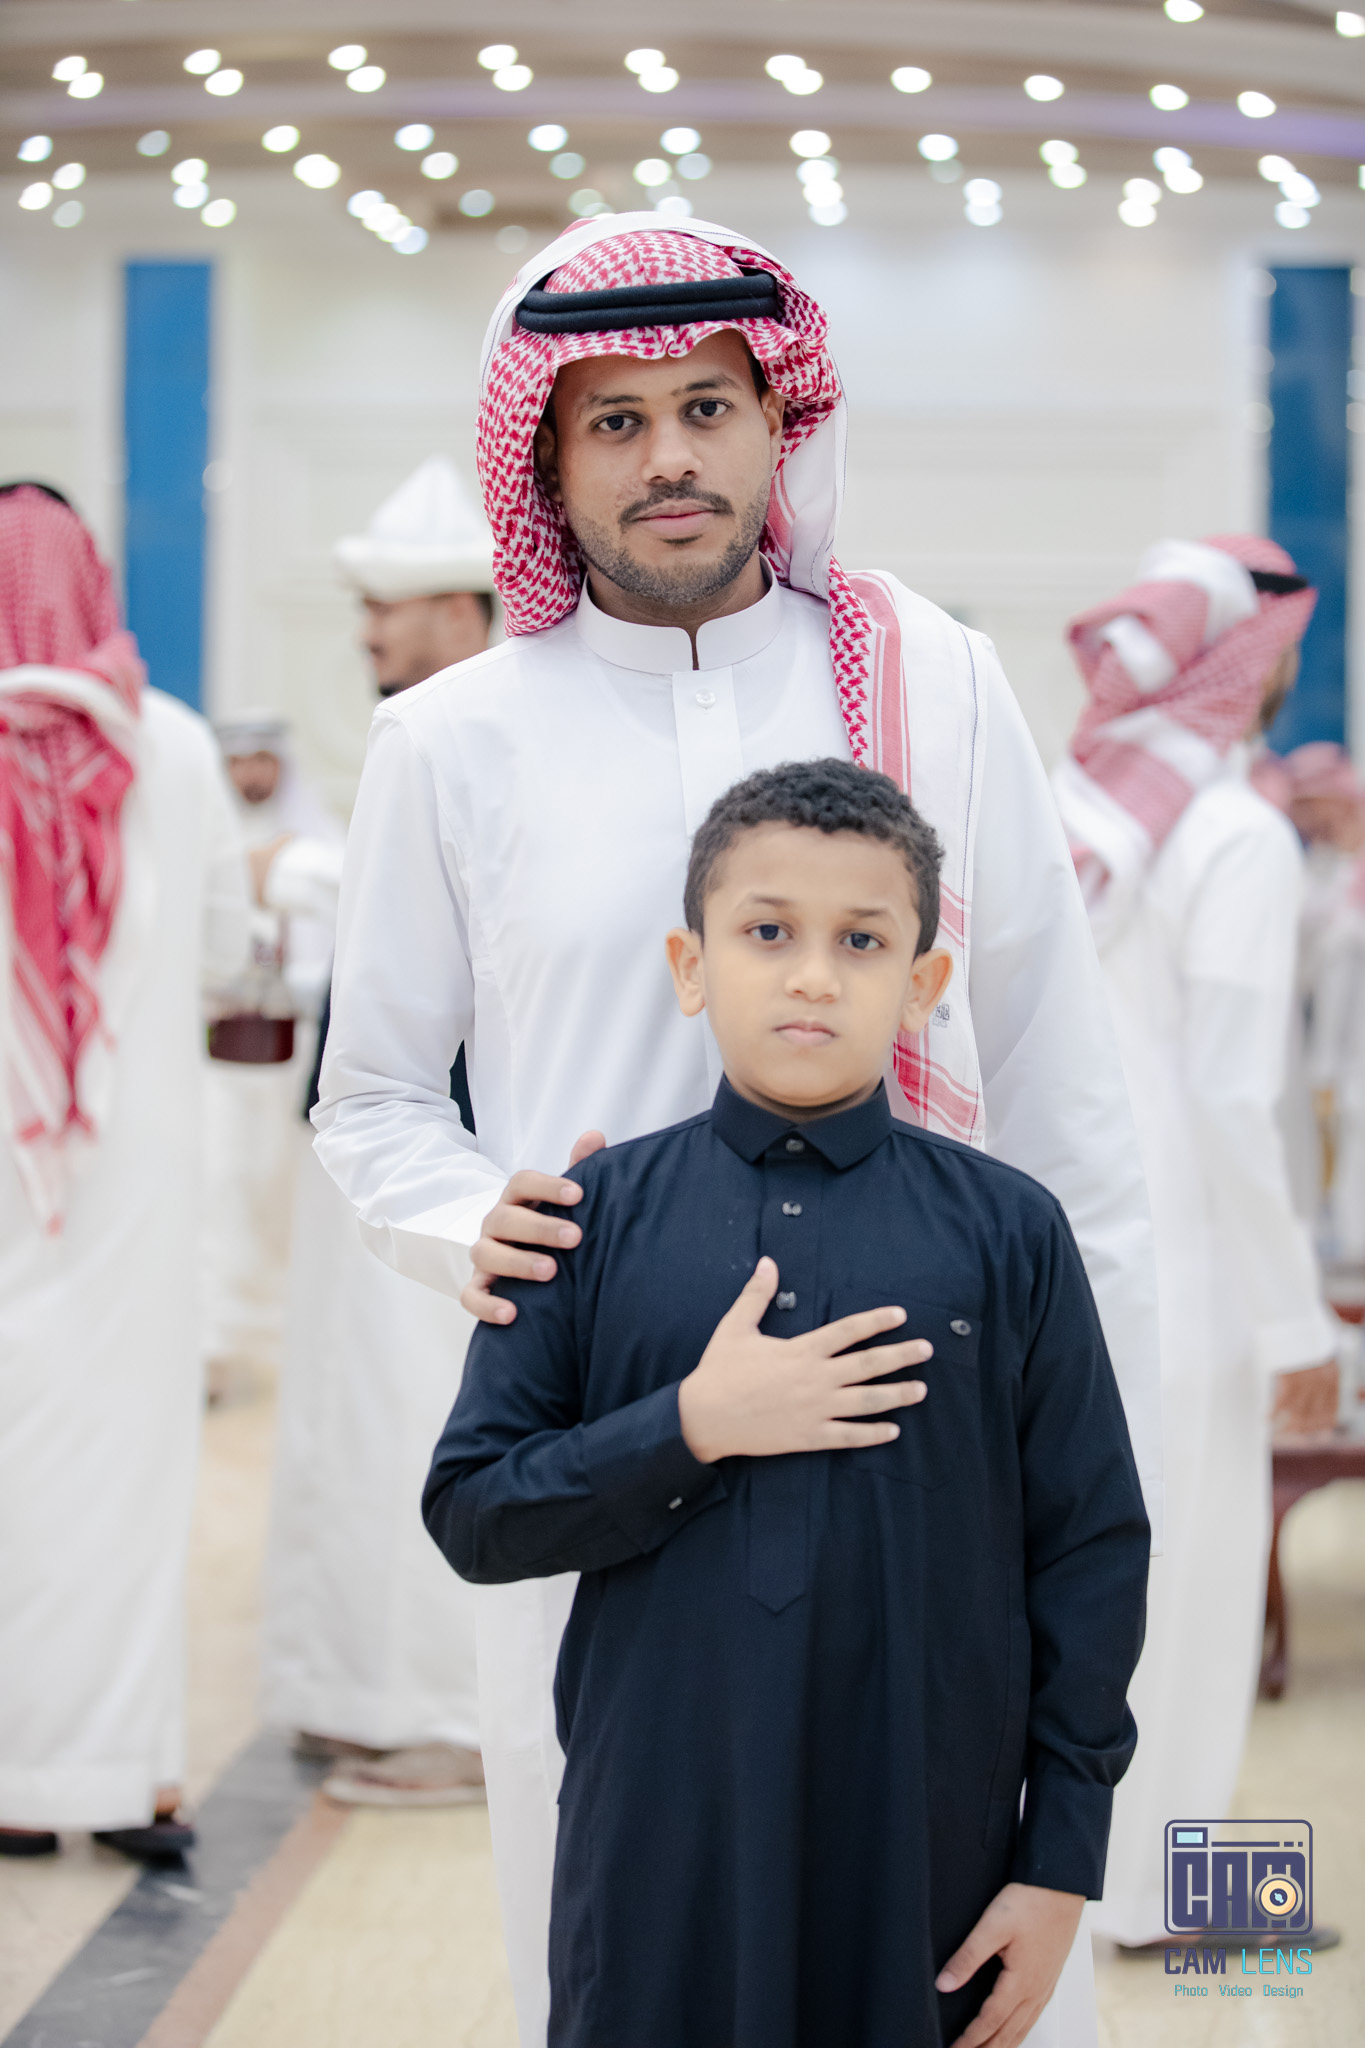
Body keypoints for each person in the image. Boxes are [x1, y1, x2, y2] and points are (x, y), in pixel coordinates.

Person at [314, 215, 1162, 2044]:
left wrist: (1103, 1417)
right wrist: (479, 1226)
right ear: (546, 456)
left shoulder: (934, 676)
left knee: (948, 1943)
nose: (669, 457)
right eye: (613, 422)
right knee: (628, 1932)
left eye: (707, 407)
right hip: (603, 1437)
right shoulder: (450, 739)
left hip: (929, 1433)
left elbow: (1060, 1087)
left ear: (784, 423)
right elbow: (371, 1093)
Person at [425, 759, 1150, 2048]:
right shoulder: (584, 1220)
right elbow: (476, 1511)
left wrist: (1062, 1859)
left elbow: (1091, 1549)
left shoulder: (1009, 1231)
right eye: (767, 931)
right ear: (690, 965)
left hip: (928, 1843)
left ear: (922, 984)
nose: (813, 974)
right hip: (658, 1841)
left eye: (861, 940)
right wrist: (692, 1424)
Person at [1052, 535, 1339, 1950]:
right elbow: (1234, 1098)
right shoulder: (1232, 834)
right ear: (1261, 663)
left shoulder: (1081, 812)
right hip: (1188, 1271)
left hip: (1070, 1259)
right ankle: (1175, 1907)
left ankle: (1094, 1890)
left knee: (1096, 1587)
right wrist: (1297, 1324)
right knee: (1198, 1584)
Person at [0, 483, 249, 1859]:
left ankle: (17, 1777)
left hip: (13, 1177)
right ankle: (133, 1774)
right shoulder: (174, 744)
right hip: (135, 1178)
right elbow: (226, 951)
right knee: (131, 1472)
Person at [259, 457, 495, 1805]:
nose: (366, 634)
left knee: (422, 1413)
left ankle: (450, 1716)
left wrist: (288, 871)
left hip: (445, 1165)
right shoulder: (423, 735)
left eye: (384, 609)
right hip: (369, 1150)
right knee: (349, 1416)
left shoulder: (489, 736)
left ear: (460, 611)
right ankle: (357, 1691)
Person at [200, 712, 340, 1396]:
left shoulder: (316, 845)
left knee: (280, 1196)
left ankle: (280, 1343)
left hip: (293, 1060)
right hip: (215, 1068)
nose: (250, 774)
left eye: (262, 759)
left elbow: (342, 959)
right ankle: (213, 1348)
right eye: (238, 761)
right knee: (218, 1187)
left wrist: (286, 983)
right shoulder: (207, 841)